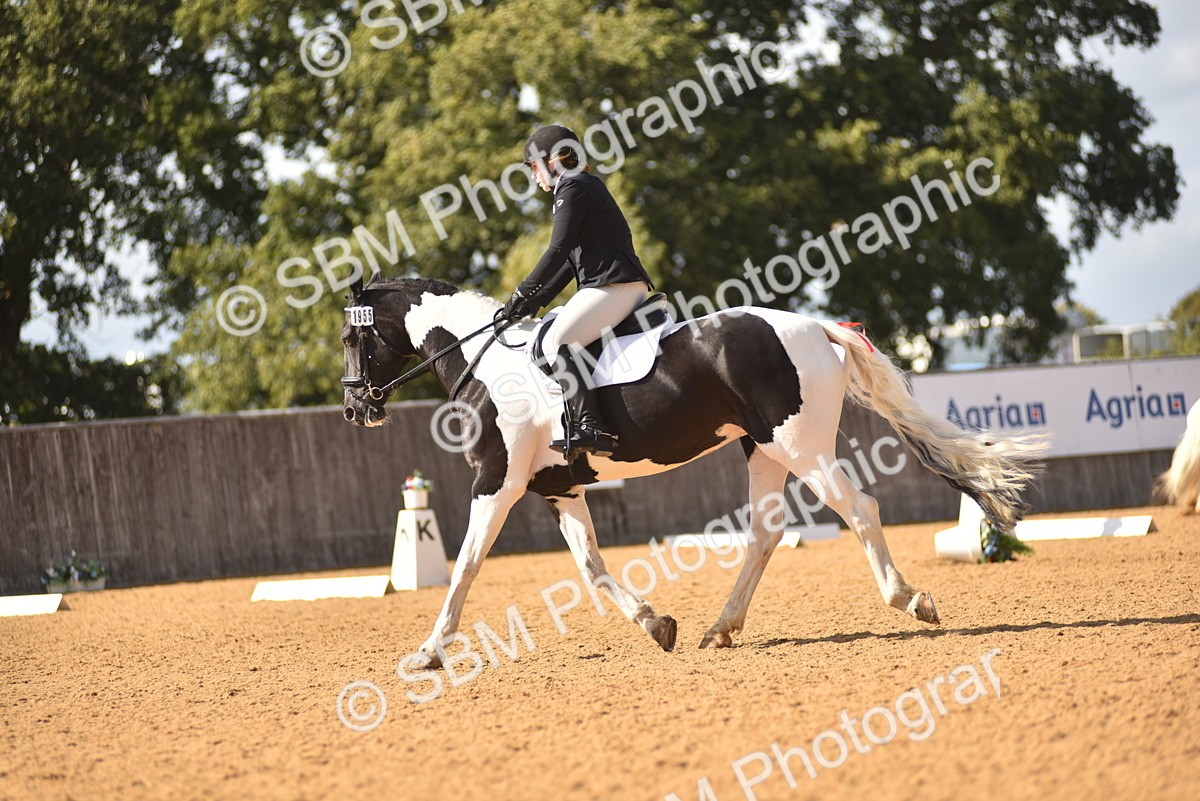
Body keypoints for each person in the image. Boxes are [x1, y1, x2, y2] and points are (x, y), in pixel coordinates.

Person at [501, 124, 653, 461]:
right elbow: (569, 264)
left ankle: (591, 426)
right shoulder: (578, 187)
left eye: (534, 167)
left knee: (558, 342)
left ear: (551, 162)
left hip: (615, 284)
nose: (534, 177)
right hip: (611, 285)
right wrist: (531, 304)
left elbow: (556, 250)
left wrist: (521, 293)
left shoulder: (574, 187)